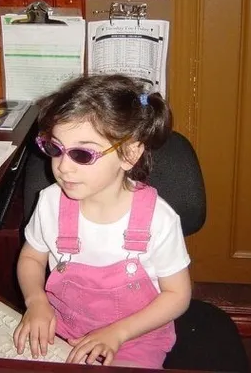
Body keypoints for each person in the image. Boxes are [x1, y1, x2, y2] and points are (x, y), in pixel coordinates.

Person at [13, 74, 192, 369]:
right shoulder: (49, 202)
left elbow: (178, 295)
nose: (63, 167)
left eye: (82, 154)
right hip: (62, 325)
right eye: (55, 149)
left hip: (134, 337)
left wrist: (117, 333)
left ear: (129, 154)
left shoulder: (158, 220)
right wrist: (36, 301)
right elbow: (32, 257)